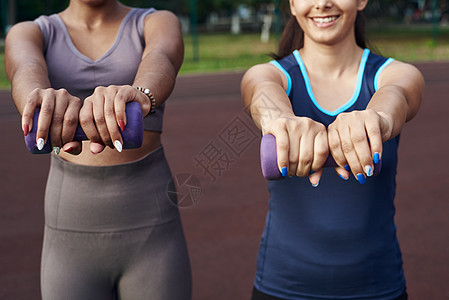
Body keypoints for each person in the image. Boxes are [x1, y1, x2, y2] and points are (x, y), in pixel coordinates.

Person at [5, 0, 191, 299]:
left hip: (152, 225)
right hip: (69, 230)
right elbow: (25, 69)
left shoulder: (157, 22)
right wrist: (37, 99)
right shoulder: (30, 31)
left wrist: (140, 94)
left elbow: (162, 57)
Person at [241, 0, 424, 299]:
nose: (322, 3)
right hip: (282, 288)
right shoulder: (267, 75)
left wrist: (376, 119)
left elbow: (397, 95)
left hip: (378, 288)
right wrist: (281, 121)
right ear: (292, 4)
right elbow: (262, 94)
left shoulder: (397, 74)